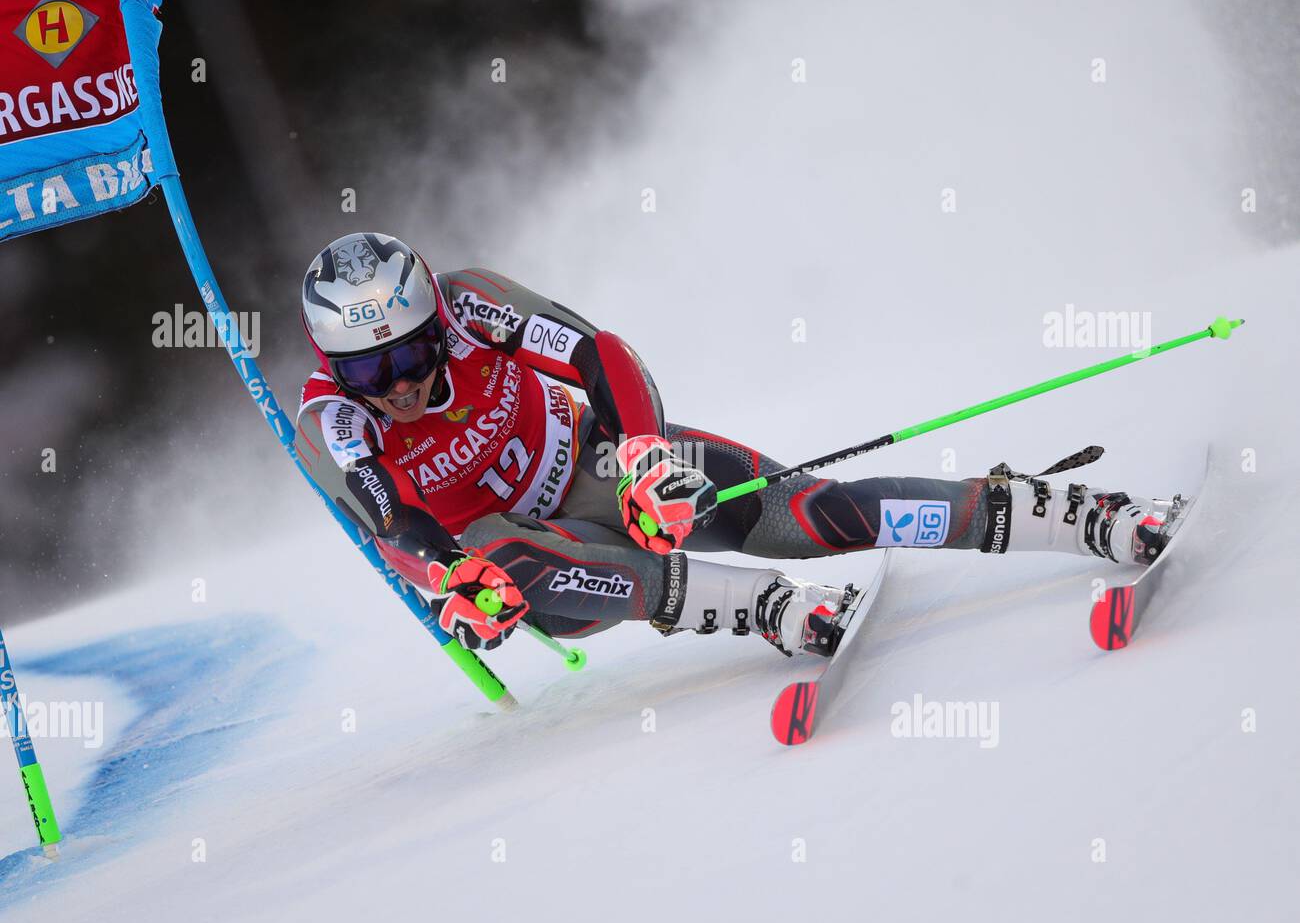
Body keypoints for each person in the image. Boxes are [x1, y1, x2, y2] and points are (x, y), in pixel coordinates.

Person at [295, 232, 1174, 654]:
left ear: (435, 326)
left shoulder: (468, 302)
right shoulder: (329, 423)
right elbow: (392, 527)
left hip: (599, 468)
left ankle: (1052, 512)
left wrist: (641, 454)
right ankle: (763, 607)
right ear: (336, 367)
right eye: (372, 373)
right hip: (545, 565)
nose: (401, 386)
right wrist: (451, 583)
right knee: (494, 555)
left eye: (412, 354)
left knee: (810, 514)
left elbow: (601, 355)